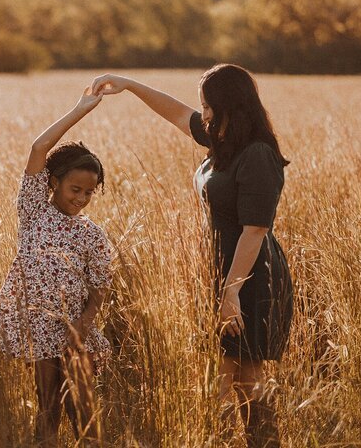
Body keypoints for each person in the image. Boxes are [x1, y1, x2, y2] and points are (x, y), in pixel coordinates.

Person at [91, 65, 293, 448]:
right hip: (224, 276)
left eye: (208, 105)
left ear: (229, 106)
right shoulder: (223, 142)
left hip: (250, 279)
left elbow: (255, 231)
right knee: (240, 380)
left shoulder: (257, 155)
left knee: (232, 379)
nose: (203, 114)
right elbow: (178, 114)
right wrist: (131, 85)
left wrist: (231, 293)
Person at [0, 87, 112, 446]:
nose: (81, 199)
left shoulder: (92, 235)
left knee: (82, 406)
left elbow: (100, 288)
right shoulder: (34, 212)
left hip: (75, 328)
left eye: (89, 192)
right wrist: (80, 109)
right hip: (38, 326)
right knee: (47, 405)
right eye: (75, 189)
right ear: (52, 182)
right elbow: (39, 148)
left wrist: (81, 327)